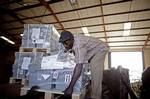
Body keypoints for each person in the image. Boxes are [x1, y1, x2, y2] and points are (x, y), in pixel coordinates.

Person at [59, 31, 109, 99]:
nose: (65, 45)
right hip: (92, 50)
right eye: (63, 43)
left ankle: (96, 96)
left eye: (66, 43)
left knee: (95, 73)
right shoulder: (72, 39)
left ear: (72, 39)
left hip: (100, 49)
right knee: (79, 61)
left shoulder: (79, 45)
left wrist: (70, 87)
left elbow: (79, 67)